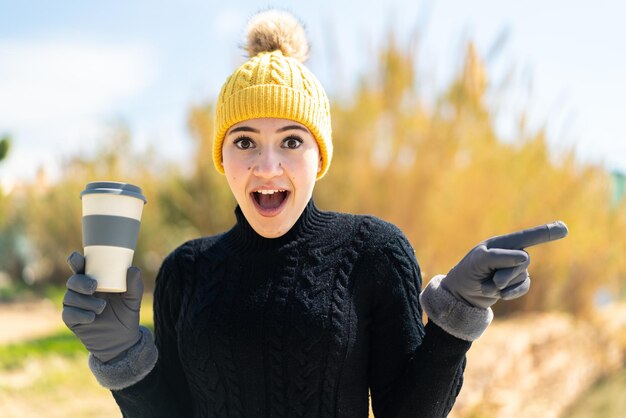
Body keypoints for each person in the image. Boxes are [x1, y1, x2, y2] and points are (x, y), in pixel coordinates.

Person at [61, 9, 568, 418]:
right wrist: (122, 357)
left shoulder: (374, 251)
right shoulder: (185, 271)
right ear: (222, 157)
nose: (267, 166)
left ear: (319, 156)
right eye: (244, 141)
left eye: (291, 140)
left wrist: (456, 317)